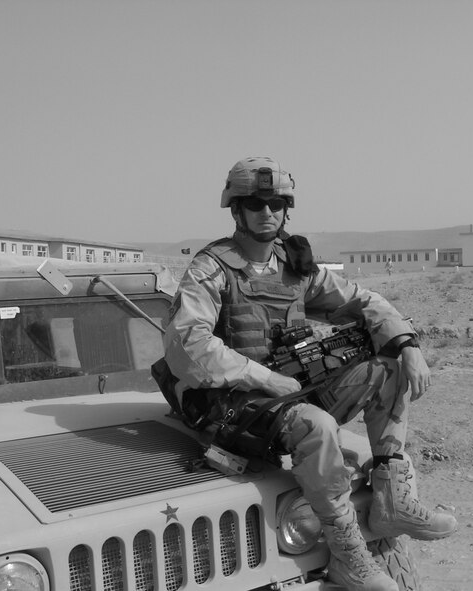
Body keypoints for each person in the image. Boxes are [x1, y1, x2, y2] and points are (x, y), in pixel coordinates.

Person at [162, 156, 457, 591]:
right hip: (234, 404)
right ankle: (348, 556)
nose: (268, 212)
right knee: (316, 425)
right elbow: (186, 346)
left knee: (389, 370)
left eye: (277, 203)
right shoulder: (213, 269)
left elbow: (363, 301)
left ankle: (392, 499)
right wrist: (262, 377)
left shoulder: (293, 267)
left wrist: (407, 343)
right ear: (236, 209)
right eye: (257, 204)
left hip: (289, 395)